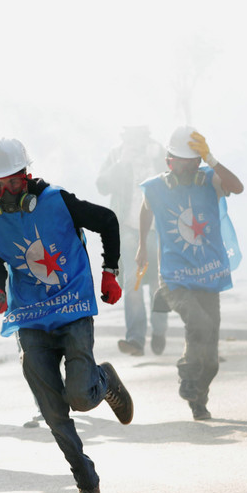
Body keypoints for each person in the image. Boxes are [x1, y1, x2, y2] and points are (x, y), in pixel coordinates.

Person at [0, 138, 134, 493]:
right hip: (29, 319)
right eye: (1, 185)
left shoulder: (58, 200)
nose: (10, 192)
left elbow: (108, 221)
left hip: (73, 307)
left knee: (79, 397)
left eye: (15, 182)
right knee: (52, 410)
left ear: (27, 177)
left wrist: (110, 272)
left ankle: (104, 379)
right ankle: (87, 484)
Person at [137, 126, 244, 421]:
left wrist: (210, 158)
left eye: (192, 161)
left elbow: (237, 187)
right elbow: (146, 210)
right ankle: (187, 376)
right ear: (169, 161)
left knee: (211, 359)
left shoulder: (210, 179)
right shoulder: (156, 187)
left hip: (208, 277)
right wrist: (143, 246)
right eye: (179, 161)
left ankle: (198, 395)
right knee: (198, 323)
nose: (185, 167)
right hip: (174, 277)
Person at [95, 124, 168, 356]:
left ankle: (159, 331)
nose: (135, 144)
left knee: (158, 284)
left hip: (156, 229)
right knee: (132, 284)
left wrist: (159, 160)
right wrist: (120, 164)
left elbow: (174, 180)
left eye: (139, 139)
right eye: (131, 138)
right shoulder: (118, 154)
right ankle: (136, 339)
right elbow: (102, 186)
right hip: (127, 229)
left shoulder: (157, 152)